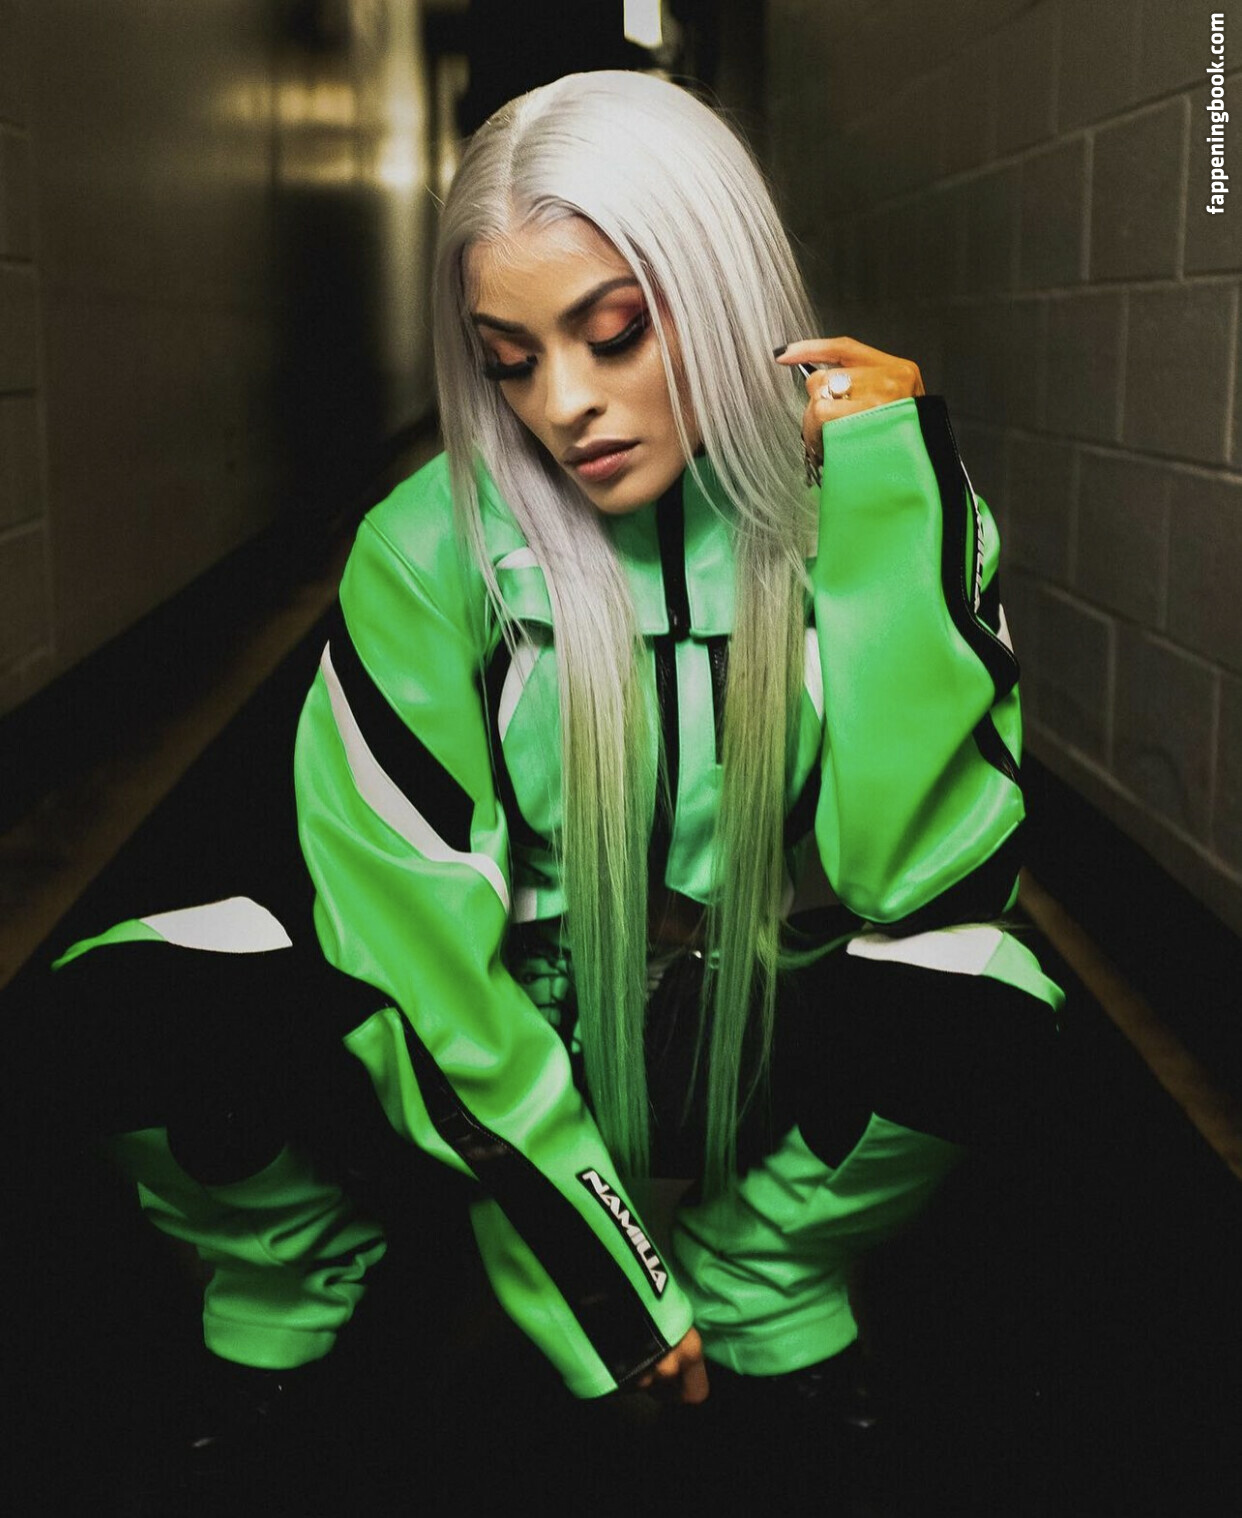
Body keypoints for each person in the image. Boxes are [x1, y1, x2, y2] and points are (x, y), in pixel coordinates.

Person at [46, 69, 1061, 1431]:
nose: (564, 402)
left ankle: (762, 1271)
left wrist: (886, 506)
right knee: (128, 998)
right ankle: (299, 1280)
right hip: (515, 1059)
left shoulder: (887, 507)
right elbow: (416, 957)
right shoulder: (428, 545)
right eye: (510, 360)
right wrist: (606, 1284)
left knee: (981, 984)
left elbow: (920, 876)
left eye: (615, 332)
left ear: (720, 290)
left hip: (766, 1041)